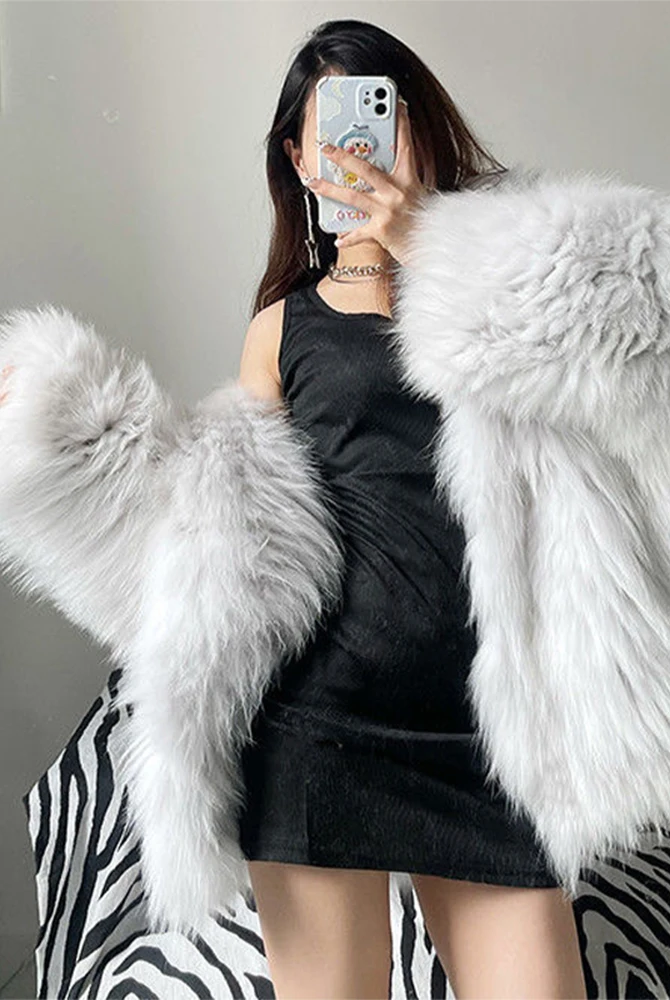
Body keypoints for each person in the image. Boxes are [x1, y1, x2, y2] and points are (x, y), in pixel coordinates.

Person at [234, 18, 588, 1000]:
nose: (363, 151)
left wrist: (432, 251)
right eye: (336, 134)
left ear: (422, 130)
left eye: (381, 121)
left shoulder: (512, 297)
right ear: (299, 160)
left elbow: (598, 403)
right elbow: (228, 531)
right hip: (320, 728)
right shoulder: (280, 328)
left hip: (490, 737)